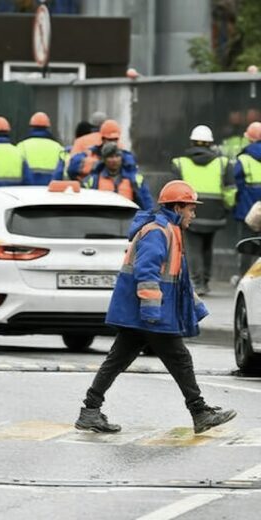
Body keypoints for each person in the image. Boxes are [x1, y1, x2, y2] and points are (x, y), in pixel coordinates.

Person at [74, 180, 237, 435]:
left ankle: (90, 411)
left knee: (117, 360)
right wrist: (151, 311)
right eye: (191, 209)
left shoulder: (169, 230)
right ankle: (200, 412)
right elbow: (147, 272)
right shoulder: (158, 231)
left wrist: (196, 307)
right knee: (180, 359)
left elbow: (177, 280)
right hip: (150, 314)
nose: (193, 214)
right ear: (178, 206)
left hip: (143, 313)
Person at [171, 124, 235, 295]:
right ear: (211, 143)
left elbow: (175, 189)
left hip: (190, 212)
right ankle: (205, 280)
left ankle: (198, 283)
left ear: (192, 142)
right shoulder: (223, 163)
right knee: (208, 246)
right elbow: (230, 192)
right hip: (215, 215)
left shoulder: (180, 163)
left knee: (194, 248)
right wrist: (226, 208)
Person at [84, 142, 153, 210]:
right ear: (104, 159)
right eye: (110, 157)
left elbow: (147, 205)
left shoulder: (135, 179)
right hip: (102, 218)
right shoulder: (93, 180)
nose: (114, 160)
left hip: (129, 218)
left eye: (117, 156)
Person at [67, 119, 135, 181]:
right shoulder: (90, 152)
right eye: (109, 139)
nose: (112, 143)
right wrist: (101, 165)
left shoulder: (126, 157)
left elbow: (132, 172)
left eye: (115, 140)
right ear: (103, 139)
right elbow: (72, 167)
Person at [234, 122, 261, 278]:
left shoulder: (244, 158)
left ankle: (245, 277)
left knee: (247, 246)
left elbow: (237, 184)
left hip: (248, 210)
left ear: (250, 139)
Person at [17, 111, 65, 185]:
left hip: (27, 192)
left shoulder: (22, 146)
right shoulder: (58, 147)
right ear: (48, 128)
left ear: (31, 127)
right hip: (51, 192)